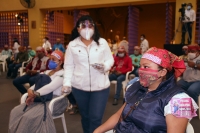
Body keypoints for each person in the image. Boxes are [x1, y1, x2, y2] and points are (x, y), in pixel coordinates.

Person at [94, 47, 198, 133]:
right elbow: (118, 115)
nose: (140, 70)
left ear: (162, 72)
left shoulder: (178, 100)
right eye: (140, 66)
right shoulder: (136, 87)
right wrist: (97, 131)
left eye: (146, 67)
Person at [62, 15, 114, 133]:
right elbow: (69, 66)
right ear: (78, 29)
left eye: (90, 26)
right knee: (85, 117)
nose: (87, 29)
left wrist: (104, 67)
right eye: (83, 26)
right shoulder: (72, 45)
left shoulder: (102, 43)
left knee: (95, 118)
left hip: (100, 87)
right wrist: (67, 83)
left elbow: (110, 59)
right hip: (80, 87)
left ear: (94, 28)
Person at [9, 50, 67, 133]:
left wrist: (34, 94)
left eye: (53, 60)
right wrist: (30, 90)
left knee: (29, 116)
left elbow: (49, 88)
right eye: (50, 59)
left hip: (55, 101)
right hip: (41, 98)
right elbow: (36, 84)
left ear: (60, 62)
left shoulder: (63, 74)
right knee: (16, 111)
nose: (51, 61)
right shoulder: (47, 72)